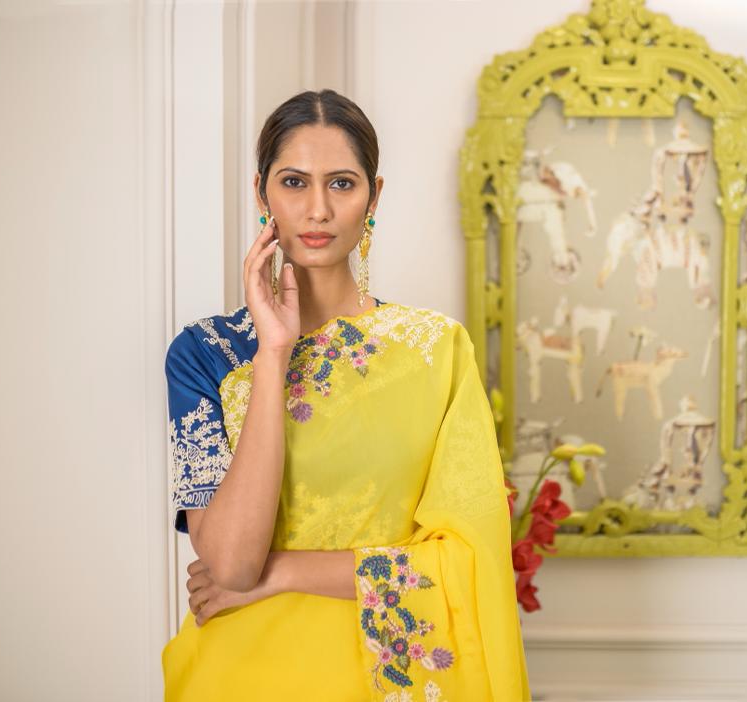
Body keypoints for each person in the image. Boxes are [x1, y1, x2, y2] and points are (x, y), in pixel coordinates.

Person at [161, 89, 530, 701]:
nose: (318, 209)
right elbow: (229, 566)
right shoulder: (205, 355)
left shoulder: (436, 352)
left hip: (388, 674)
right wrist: (273, 353)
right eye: (293, 182)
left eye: (341, 183)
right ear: (262, 195)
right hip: (240, 674)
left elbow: (471, 559)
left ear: (373, 197)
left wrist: (281, 573)